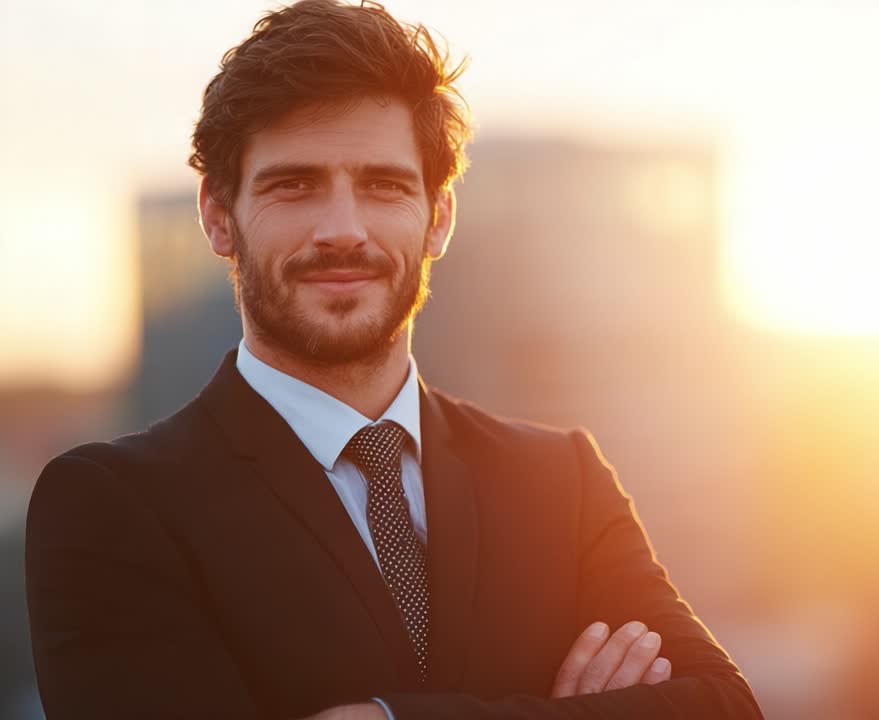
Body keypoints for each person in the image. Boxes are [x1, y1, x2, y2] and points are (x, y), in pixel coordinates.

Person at [23, 1, 762, 718]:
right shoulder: (112, 506)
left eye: (383, 185)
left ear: (438, 217)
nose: (343, 230)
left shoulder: (561, 480)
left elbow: (723, 708)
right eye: (295, 185)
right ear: (218, 216)